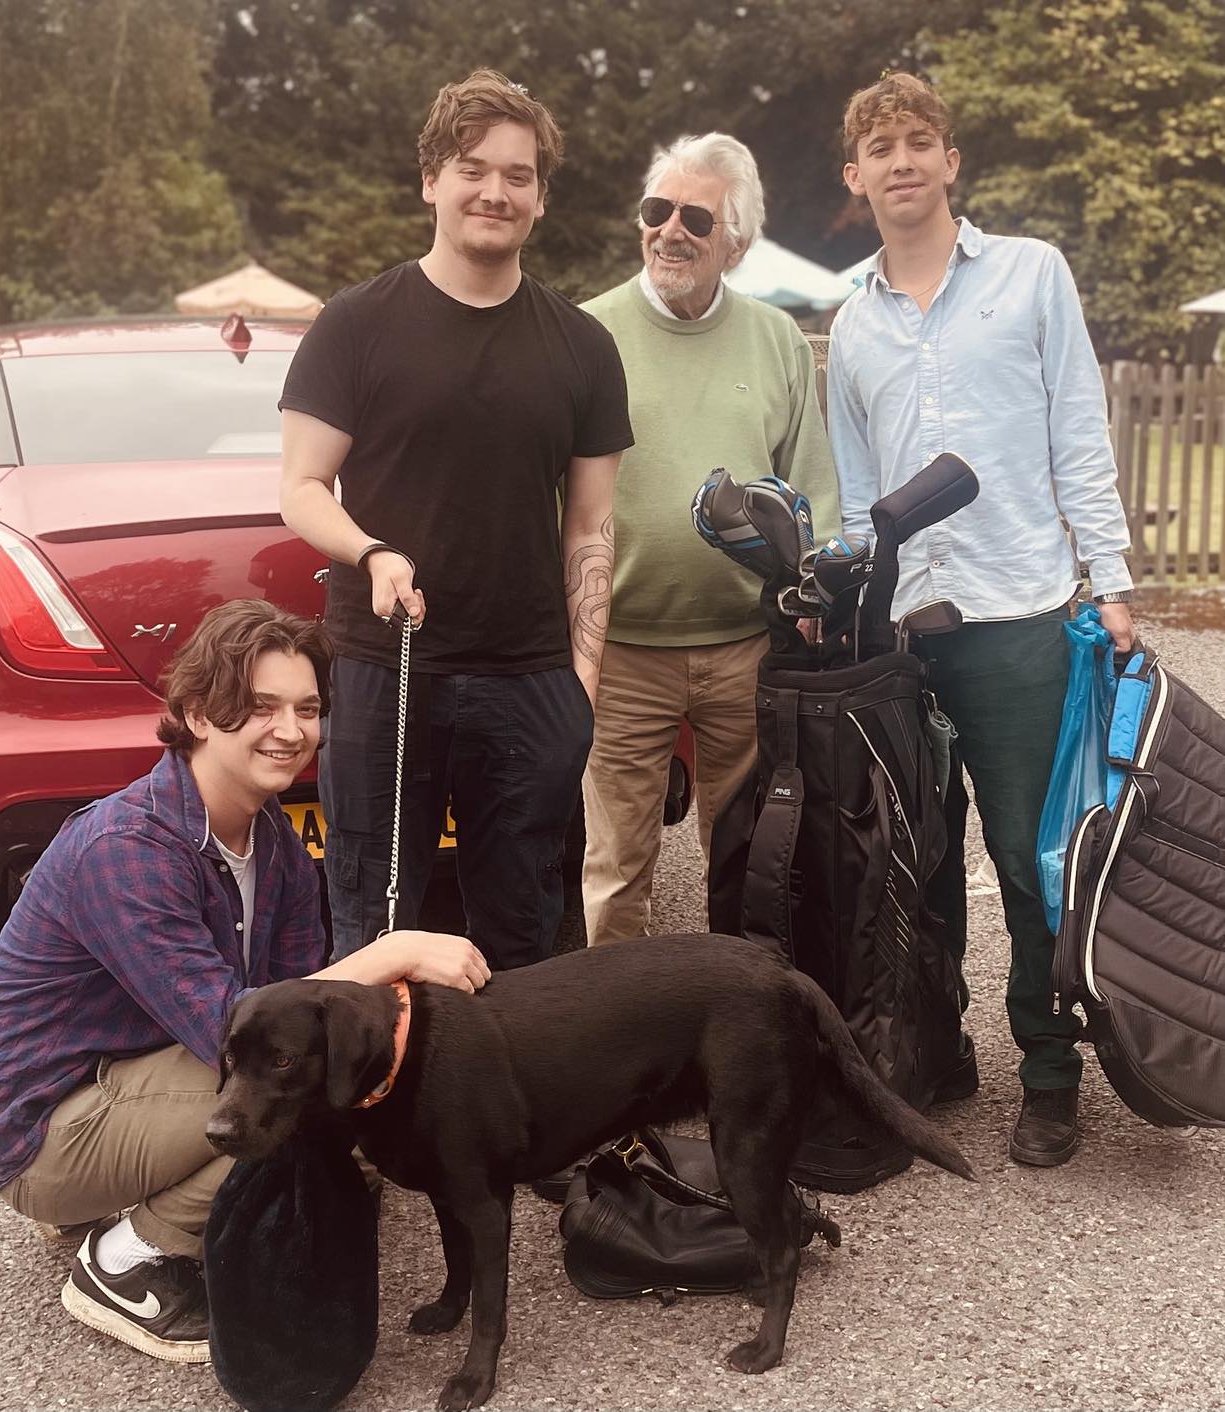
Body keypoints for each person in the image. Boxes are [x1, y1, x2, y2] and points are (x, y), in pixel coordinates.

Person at [0, 600, 489, 1363]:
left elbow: (297, 1017)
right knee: (297, 1108)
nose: (291, 729)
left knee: (329, 1091)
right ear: (199, 714)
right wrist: (395, 950)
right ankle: (128, 1257)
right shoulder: (127, 848)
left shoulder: (270, 839)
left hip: (129, 1082)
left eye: (307, 708)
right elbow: (225, 1025)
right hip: (40, 1131)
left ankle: (131, 1194)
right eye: (262, 706)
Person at [827, 72, 1137, 1167]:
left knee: (1027, 854)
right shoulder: (850, 322)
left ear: (952, 161)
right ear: (854, 175)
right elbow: (855, 489)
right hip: (908, 636)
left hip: (1017, 618)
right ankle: (936, 1049)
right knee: (914, 860)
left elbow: (1078, 437)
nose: (902, 159)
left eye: (921, 141)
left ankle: (1050, 1070)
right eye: (881, 146)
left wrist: (1114, 579)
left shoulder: (1031, 275)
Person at [279, 70, 632, 968]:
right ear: (431, 178)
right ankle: (382, 1103)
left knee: (524, 937)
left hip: (530, 682)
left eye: (518, 176)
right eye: (474, 169)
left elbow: (591, 525)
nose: (495, 192)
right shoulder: (355, 327)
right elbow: (303, 487)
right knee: (372, 916)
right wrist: (372, 552)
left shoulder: (582, 346)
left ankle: (519, 1109)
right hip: (385, 672)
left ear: (541, 198)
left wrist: (579, 685)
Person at [579, 133, 840, 945]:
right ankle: (619, 1057)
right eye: (658, 211)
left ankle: (742, 1034)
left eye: (698, 216)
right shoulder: (587, 336)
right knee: (617, 869)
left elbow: (814, 489)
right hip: (620, 654)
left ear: (739, 242)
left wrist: (818, 599)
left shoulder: (776, 341)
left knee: (753, 858)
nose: (672, 230)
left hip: (747, 651)